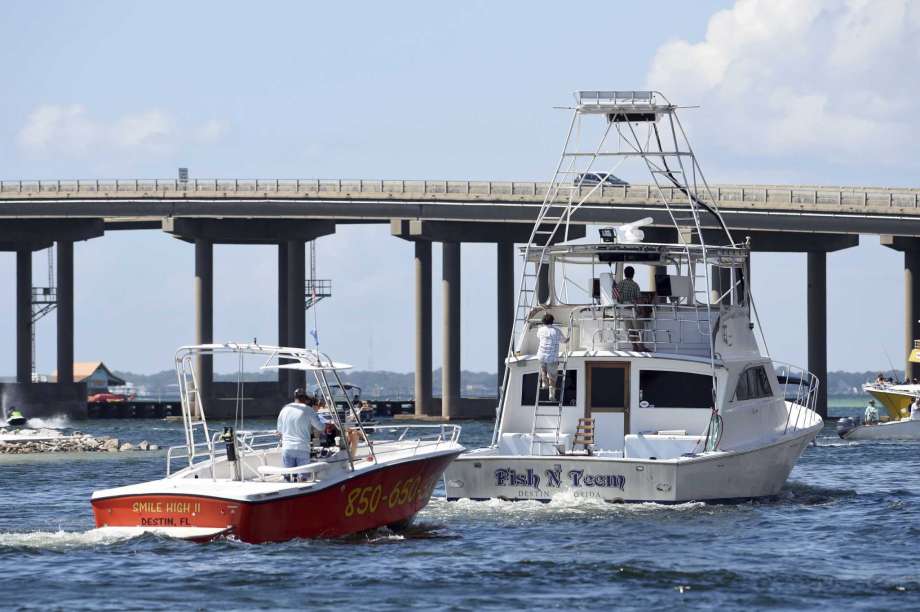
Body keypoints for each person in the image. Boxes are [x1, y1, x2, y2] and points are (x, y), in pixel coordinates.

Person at [276, 388, 326, 481]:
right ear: (305, 398)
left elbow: (279, 430)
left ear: (294, 397)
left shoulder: (285, 409)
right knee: (303, 479)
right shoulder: (309, 410)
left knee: (287, 477)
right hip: (302, 448)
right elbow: (321, 427)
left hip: (287, 448)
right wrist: (326, 424)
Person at [536, 313, 568, 400]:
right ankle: (551, 394)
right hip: (552, 357)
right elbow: (564, 341)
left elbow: (539, 337)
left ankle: (544, 383)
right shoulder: (557, 331)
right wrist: (568, 339)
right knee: (552, 376)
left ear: (543, 321)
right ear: (552, 321)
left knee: (543, 369)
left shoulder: (540, 330)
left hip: (541, 355)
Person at [617, 266, 647, 351]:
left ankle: (634, 346)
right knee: (639, 329)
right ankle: (641, 346)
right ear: (633, 274)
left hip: (623, 309)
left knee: (630, 329)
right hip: (632, 309)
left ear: (624, 273)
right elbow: (638, 299)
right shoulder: (635, 285)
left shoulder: (620, 284)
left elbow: (617, 297)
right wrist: (642, 311)